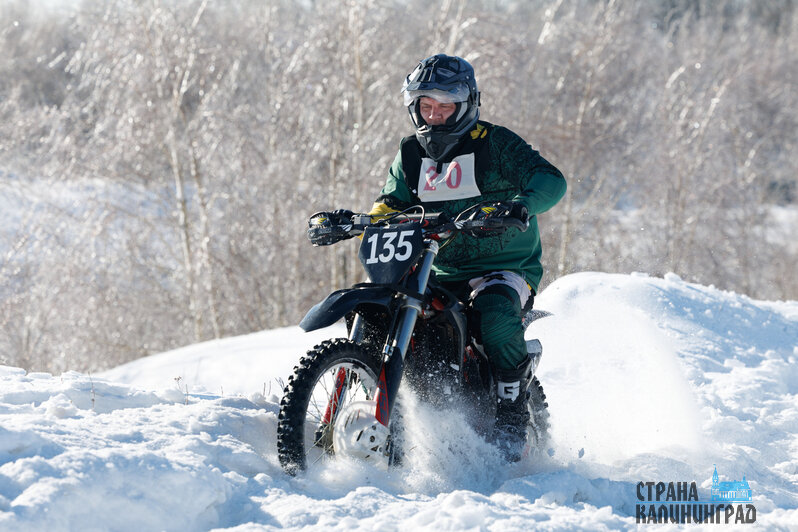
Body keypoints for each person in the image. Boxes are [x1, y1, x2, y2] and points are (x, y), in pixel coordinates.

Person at [368, 54, 566, 461]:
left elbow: (551, 180)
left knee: (493, 315)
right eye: (426, 106)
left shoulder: (495, 143)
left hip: (502, 268)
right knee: (382, 311)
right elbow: (390, 204)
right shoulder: (410, 153)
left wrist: (521, 205)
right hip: (434, 268)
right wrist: (362, 222)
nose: (435, 116)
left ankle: (512, 410)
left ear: (466, 105)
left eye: (445, 107)